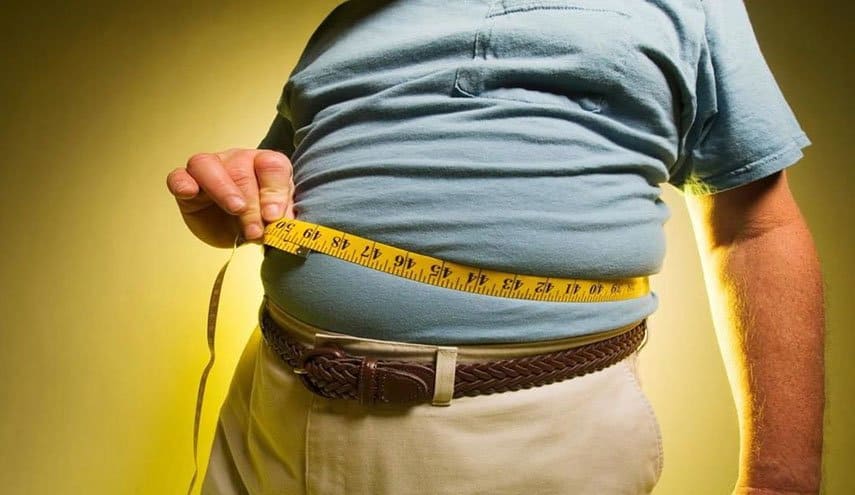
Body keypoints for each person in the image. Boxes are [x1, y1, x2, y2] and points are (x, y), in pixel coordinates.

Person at [166, 0, 825, 494]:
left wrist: (777, 482)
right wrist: (224, 198)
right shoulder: (346, 20)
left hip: (532, 439)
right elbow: (267, 205)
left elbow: (755, 226)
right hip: (269, 412)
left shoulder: (688, 6)